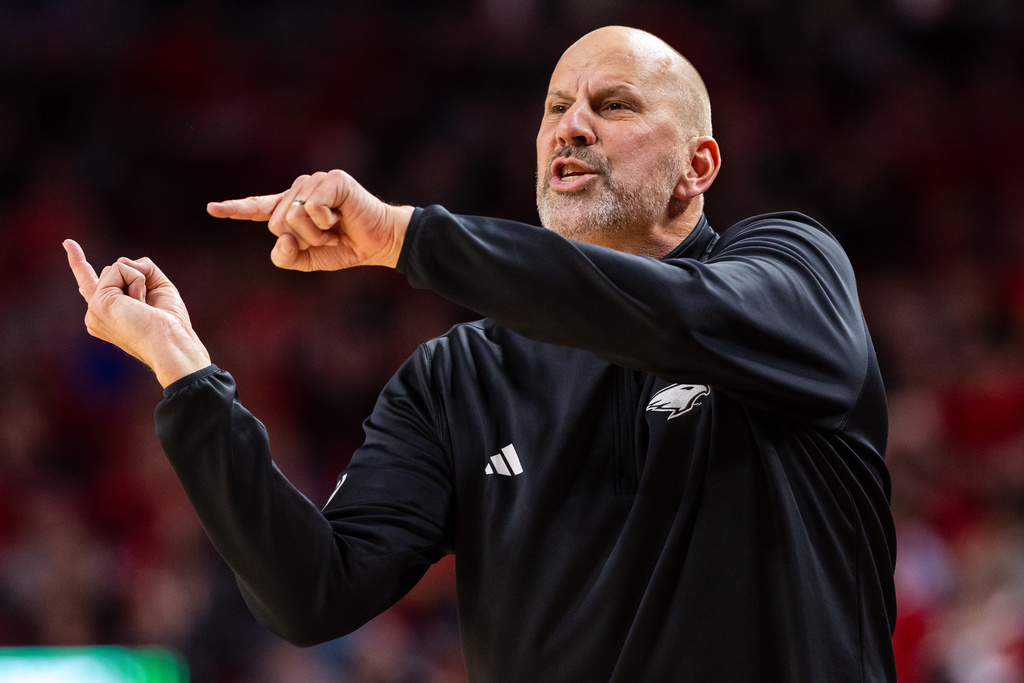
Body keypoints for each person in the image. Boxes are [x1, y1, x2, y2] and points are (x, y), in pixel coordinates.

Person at [65, 25, 897, 682]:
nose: (569, 126)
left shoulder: (794, 272)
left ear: (697, 165)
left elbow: (676, 319)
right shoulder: (457, 377)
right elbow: (312, 592)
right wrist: (188, 375)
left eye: (612, 105)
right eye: (554, 107)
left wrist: (404, 236)